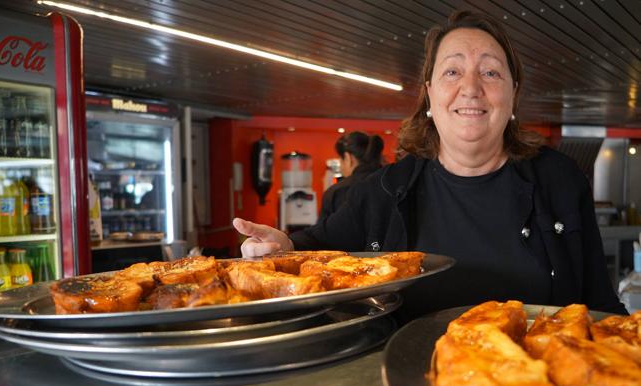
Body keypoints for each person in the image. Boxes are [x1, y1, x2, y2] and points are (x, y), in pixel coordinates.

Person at [233, 10, 626, 318]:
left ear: (513, 95)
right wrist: (281, 248)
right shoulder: (380, 193)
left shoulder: (560, 181)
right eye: (452, 71)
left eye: (490, 72)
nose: (471, 87)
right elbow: (312, 249)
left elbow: (599, 303)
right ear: (429, 95)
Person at [318, 132, 383, 223]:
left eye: (340, 159)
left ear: (348, 158)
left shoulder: (337, 192)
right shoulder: (390, 183)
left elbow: (322, 233)